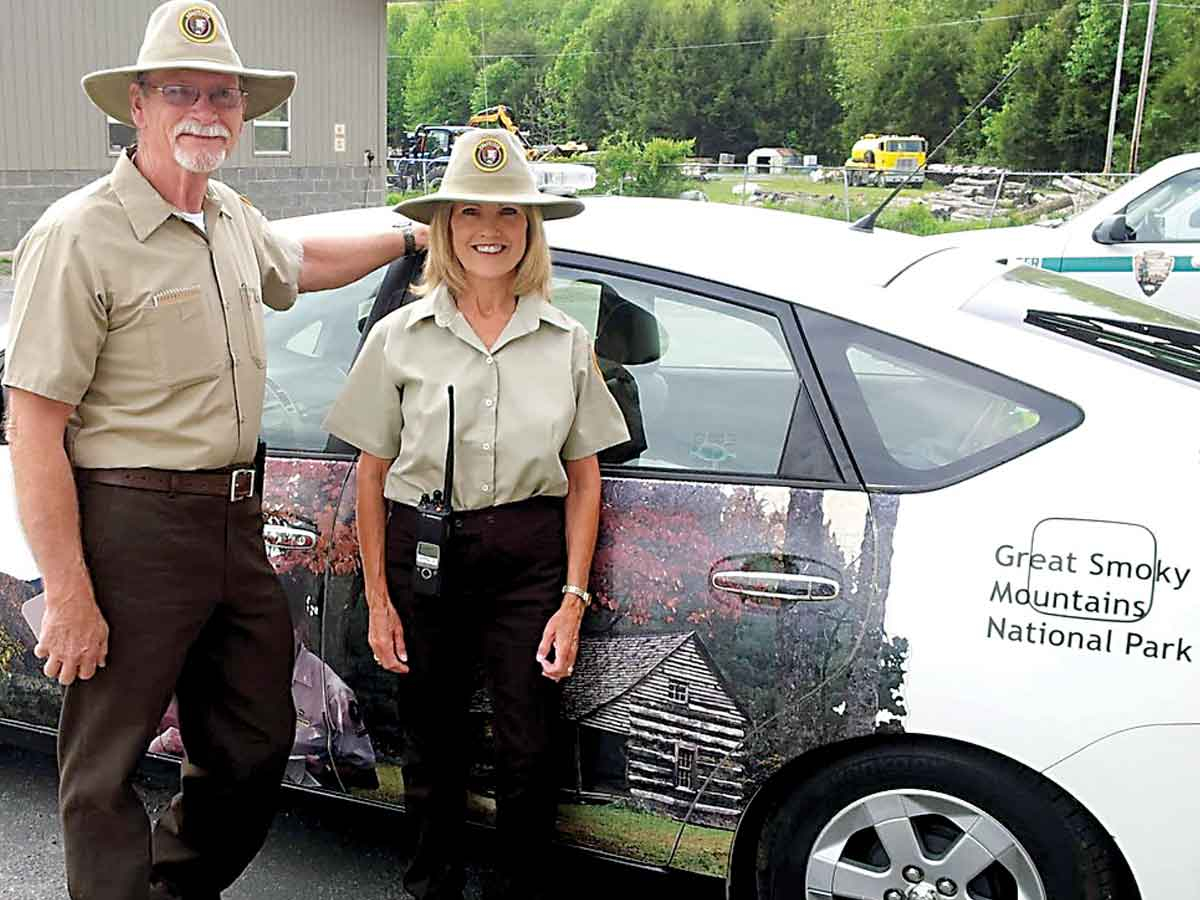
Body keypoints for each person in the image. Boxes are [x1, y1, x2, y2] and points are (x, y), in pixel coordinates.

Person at [2, 2, 427, 899]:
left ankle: (173, 885)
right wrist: (70, 594)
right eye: (182, 92)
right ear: (140, 105)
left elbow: (300, 261)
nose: (207, 110)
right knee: (105, 764)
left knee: (255, 737)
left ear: (244, 112)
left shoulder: (229, 215)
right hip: (129, 523)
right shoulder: (78, 235)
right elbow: (33, 424)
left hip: (233, 519)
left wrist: (408, 235)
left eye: (225, 95)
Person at [323, 128, 629, 900]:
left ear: (530, 231)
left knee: (530, 749)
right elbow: (371, 471)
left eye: (509, 214)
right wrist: (380, 603)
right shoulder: (400, 337)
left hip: (528, 557)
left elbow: (585, 477)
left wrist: (572, 598)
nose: (489, 229)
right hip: (422, 551)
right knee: (432, 747)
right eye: (469, 213)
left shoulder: (565, 341)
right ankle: (433, 887)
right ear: (445, 229)